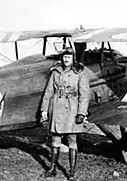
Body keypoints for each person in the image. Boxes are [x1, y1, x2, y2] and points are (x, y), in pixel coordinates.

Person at [40, 47, 90, 181]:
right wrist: (44, 110)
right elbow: (49, 91)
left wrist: (82, 113)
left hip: (72, 110)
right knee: (55, 140)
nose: (66, 59)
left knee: (72, 140)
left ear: (73, 58)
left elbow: (84, 95)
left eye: (68, 56)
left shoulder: (80, 72)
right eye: (64, 56)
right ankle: (52, 169)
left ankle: (72, 172)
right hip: (56, 108)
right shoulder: (56, 72)